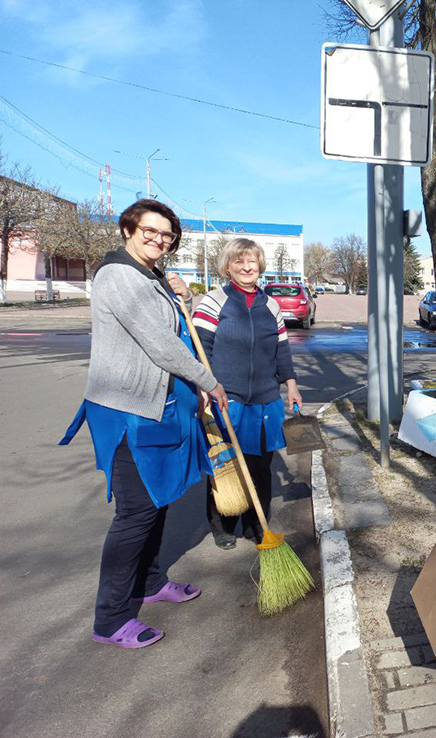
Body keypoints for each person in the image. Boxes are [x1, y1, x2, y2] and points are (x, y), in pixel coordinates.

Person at [60, 199, 228, 649]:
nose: (158, 239)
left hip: (159, 407)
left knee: (158, 500)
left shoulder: (148, 278)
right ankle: (110, 618)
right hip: (127, 411)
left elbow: (174, 328)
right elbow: (160, 344)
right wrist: (209, 382)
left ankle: (149, 583)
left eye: (167, 235)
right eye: (149, 231)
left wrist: (181, 299)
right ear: (128, 230)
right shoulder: (117, 276)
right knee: (135, 514)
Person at [193, 238, 301, 550]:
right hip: (228, 399)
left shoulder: (271, 306)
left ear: (260, 265)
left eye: (252, 261)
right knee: (225, 467)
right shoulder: (214, 302)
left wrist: (290, 383)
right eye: (239, 262)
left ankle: (257, 525)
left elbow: (282, 351)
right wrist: (204, 387)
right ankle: (223, 526)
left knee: (260, 467)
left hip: (267, 400)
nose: (246, 267)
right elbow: (201, 351)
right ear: (228, 266)